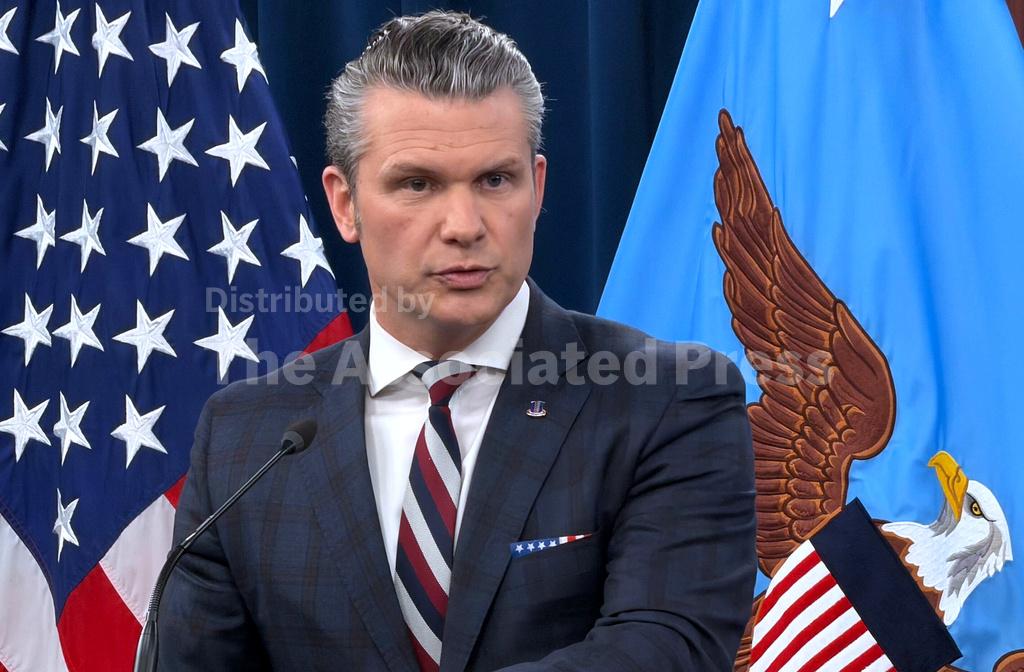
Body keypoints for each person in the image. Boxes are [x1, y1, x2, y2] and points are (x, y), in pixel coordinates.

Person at [158, 11, 756, 672]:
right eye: (417, 184)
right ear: (345, 204)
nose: (464, 225)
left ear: (538, 187)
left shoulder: (668, 400)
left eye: (495, 180)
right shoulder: (244, 439)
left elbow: (665, 648)